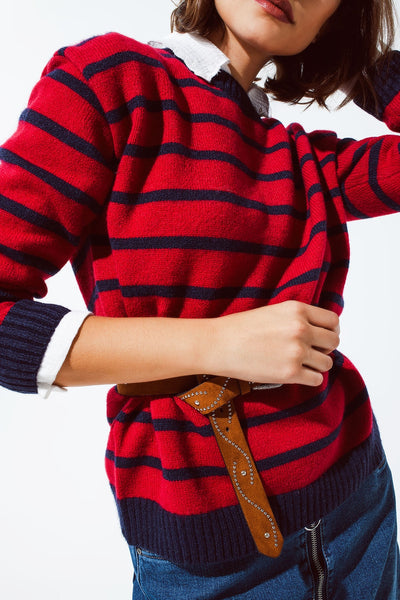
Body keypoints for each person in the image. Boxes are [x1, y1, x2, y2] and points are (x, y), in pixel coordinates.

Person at [0, 0, 399, 597]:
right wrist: (217, 344)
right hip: (212, 550)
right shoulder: (110, 81)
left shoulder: (305, 158)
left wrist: (354, 60)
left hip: (360, 504)